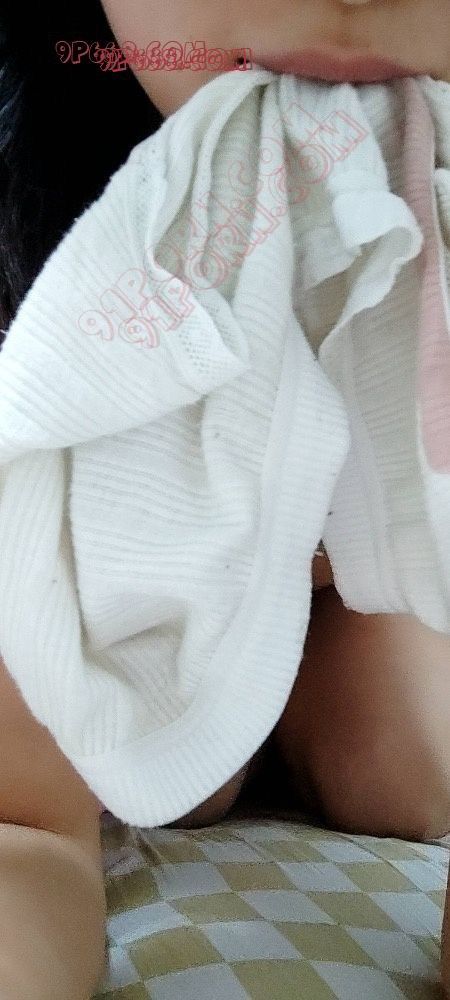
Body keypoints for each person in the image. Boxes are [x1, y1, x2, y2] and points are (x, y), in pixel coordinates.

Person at [0, 0, 450, 996]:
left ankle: (285, 676)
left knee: (405, 763)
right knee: (43, 774)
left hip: (347, 571)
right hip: (102, 562)